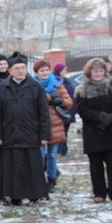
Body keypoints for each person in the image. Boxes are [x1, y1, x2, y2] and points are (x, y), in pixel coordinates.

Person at [0, 53, 50, 205]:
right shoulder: (2, 88)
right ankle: (13, 195)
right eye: (17, 68)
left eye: (23, 68)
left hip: (30, 133)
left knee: (31, 166)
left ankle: (33, 194)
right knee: (11, 167)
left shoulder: (36, 87)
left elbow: (43, 113)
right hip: (9, 134)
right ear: (10, 70)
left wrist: (44, 135)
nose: (20, 71)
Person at [74, 57, 112, 203]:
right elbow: (81, 109)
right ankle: (99, 193)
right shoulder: (81, 89)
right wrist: (99, 117)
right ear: (89, 72)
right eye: (95, 71)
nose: (98, 73)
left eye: (101, 70)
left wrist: (110, 117)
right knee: (95, 165)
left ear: (105, 71)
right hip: (93, 130)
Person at [33, 60, 73, 194]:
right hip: (38, 125)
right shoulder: (32, 86)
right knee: (40, 156)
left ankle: (51, 179)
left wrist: (59, 101)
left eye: (46, 70)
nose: (44, 73)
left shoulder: (57, 84)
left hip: (55, 125)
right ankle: (40, 179)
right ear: (36, 73)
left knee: (52, 155)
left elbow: (69, 103)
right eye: (41, 71)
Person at [52, 63, 77, 156]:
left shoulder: (66, 80)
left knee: (65, 132)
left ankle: (63, 150)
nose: (65, 71)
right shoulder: (55, 81)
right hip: (60, 111)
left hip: (69, 109)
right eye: (64, 70)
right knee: (60, 132)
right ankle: (60, 150)